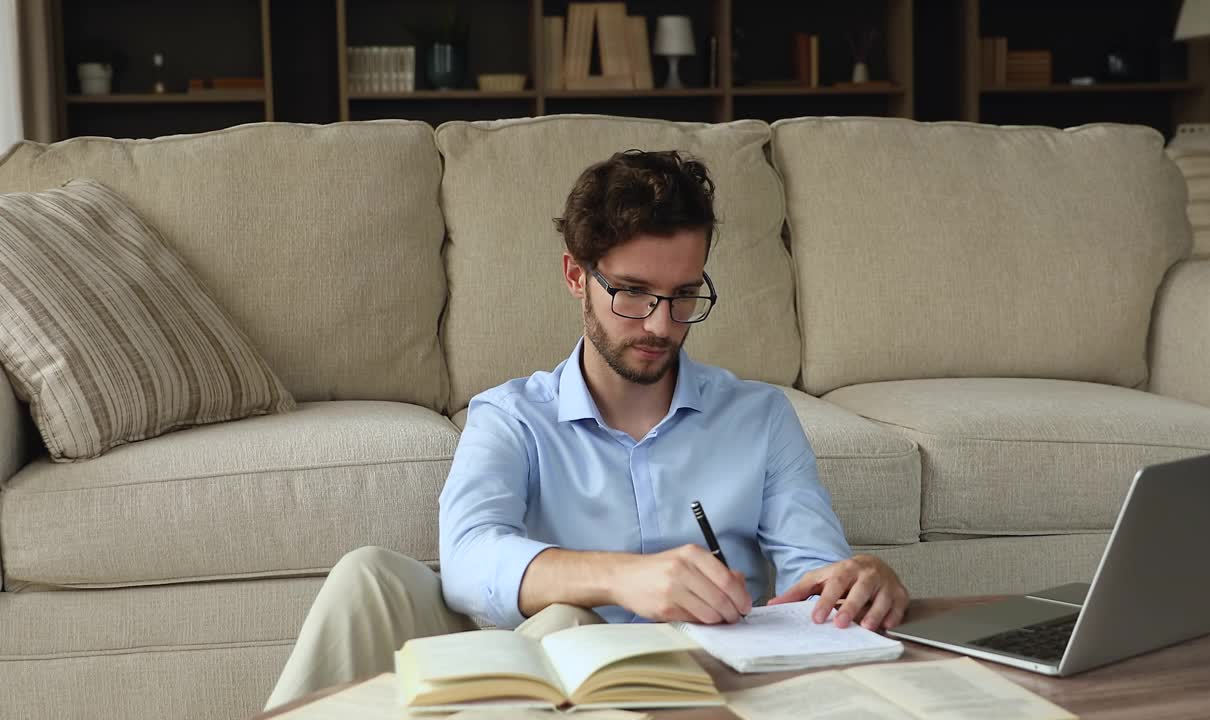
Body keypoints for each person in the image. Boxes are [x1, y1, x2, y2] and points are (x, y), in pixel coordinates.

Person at [263, 149, 909, 711]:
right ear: (577, 276)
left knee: (568, 624)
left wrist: (857, 583)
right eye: (632, 292)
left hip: (688, 680)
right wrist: (623, 576)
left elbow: (817, 581)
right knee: (369, 576)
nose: (661, 324)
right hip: (536, 669)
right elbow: (466, 559)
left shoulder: (760, 418)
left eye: (685, 295)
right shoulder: (511, 416)